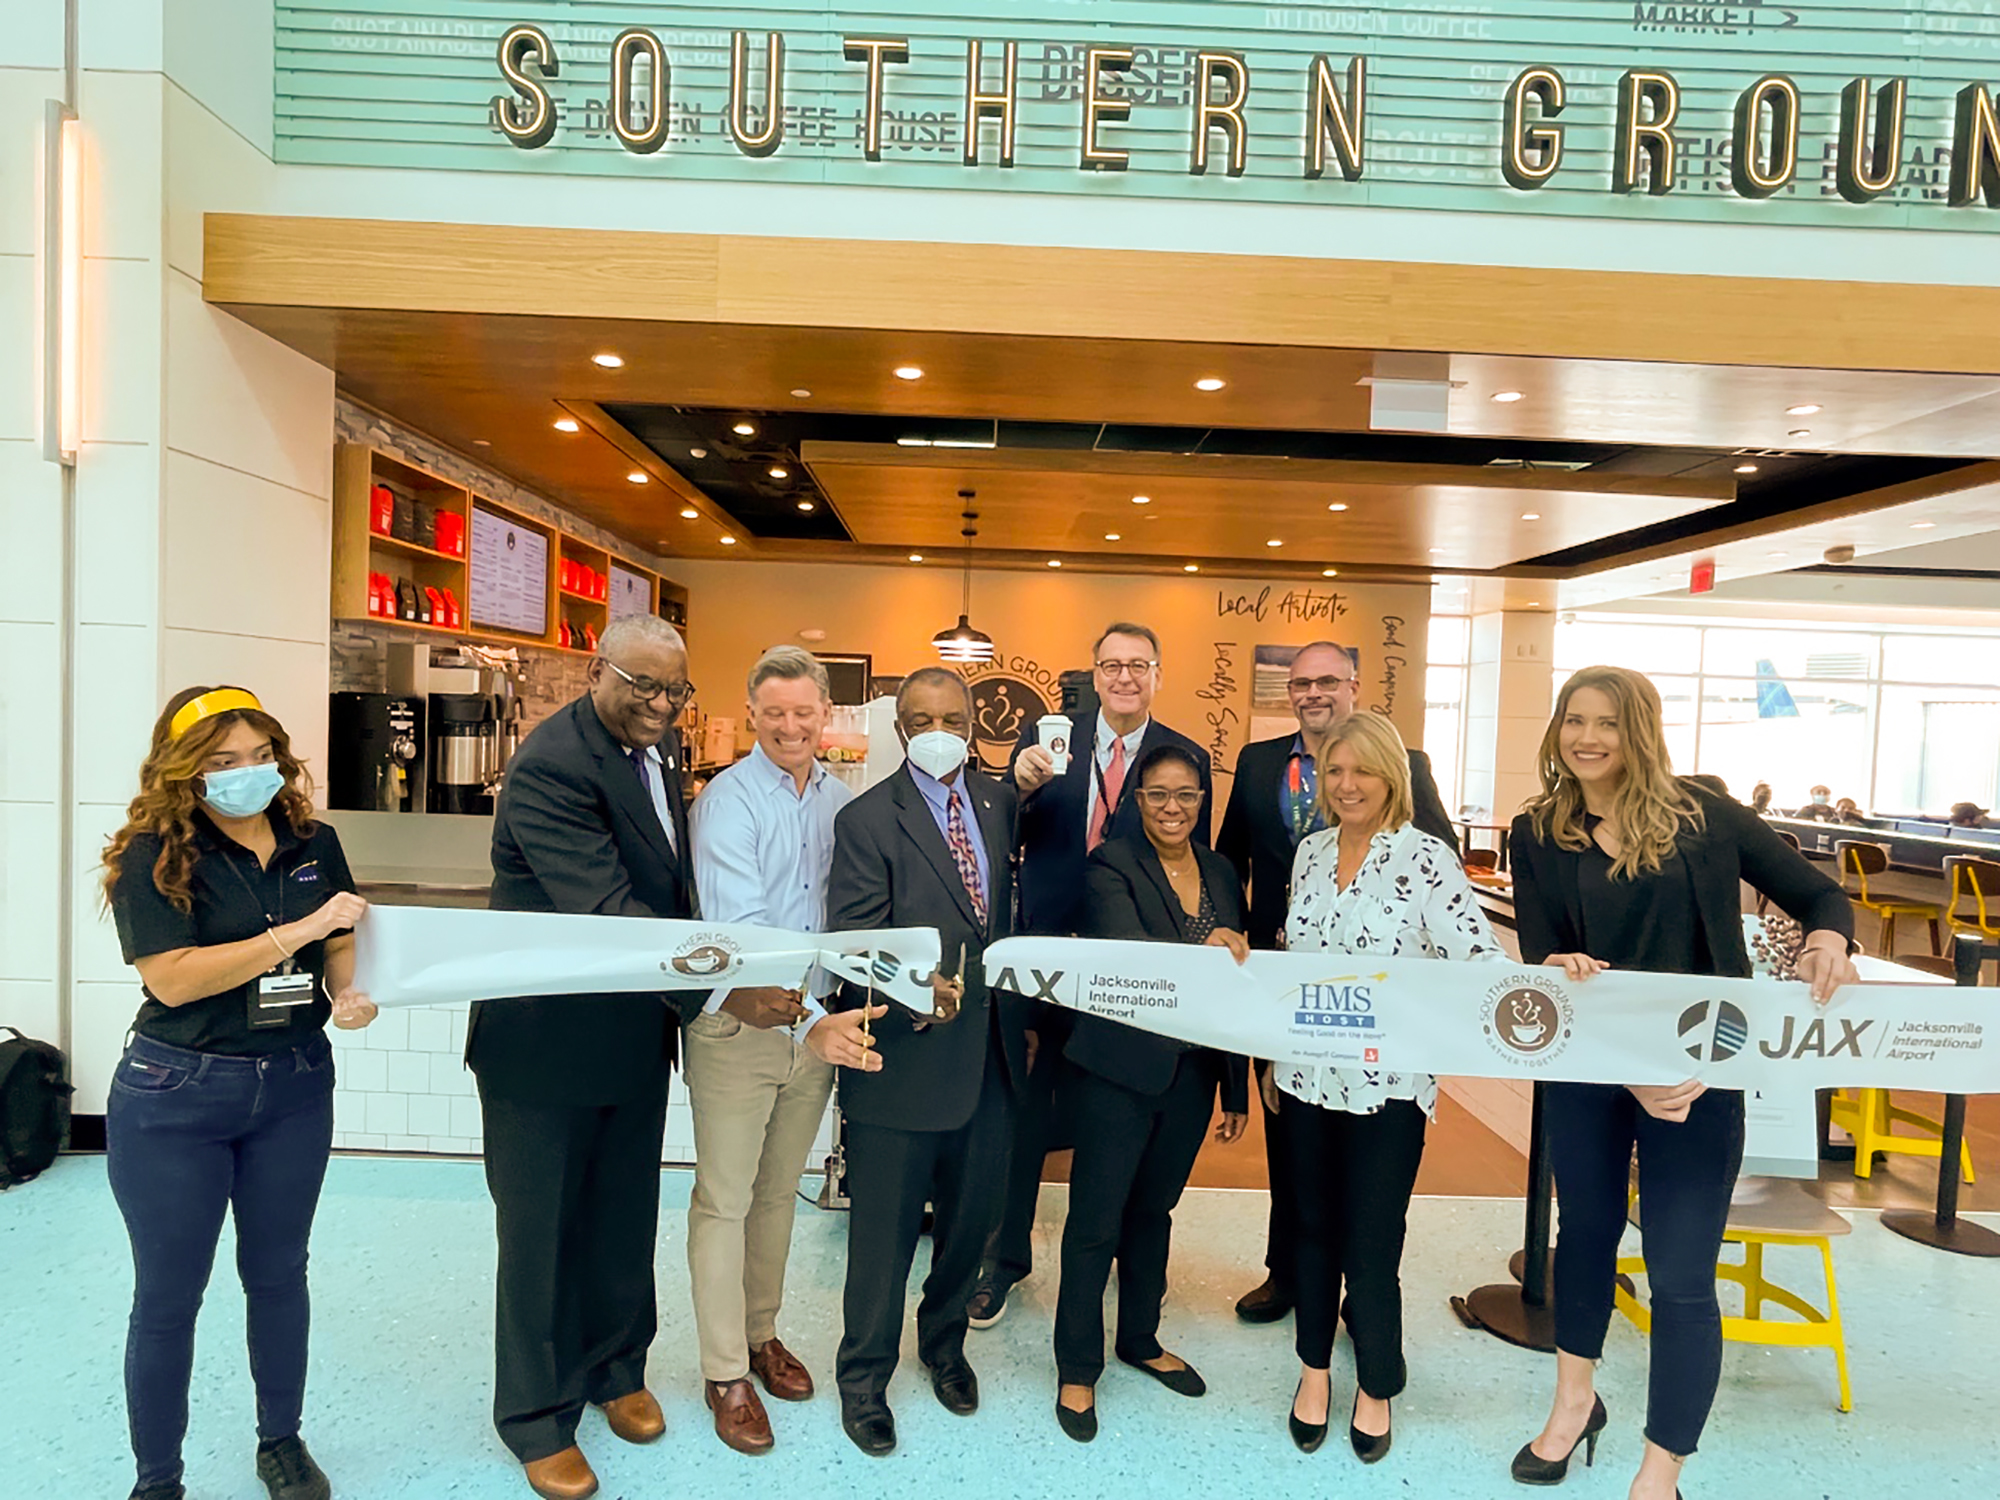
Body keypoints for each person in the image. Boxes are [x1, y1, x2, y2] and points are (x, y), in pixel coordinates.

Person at [1508, 666, 1857, 1500]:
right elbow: (1543, 958)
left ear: (1642, 731)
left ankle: (1660, 1470)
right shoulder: (1539, 831)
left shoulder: (1705, 818)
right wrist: (1607, 1045)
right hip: (1592, 1069)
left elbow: (1817, 891)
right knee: (1584, 1239)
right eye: (1574, 721)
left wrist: (1829, 940)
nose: (1587, 739)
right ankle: (1573, 1405)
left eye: (1608, 723)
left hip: (1701, 1073)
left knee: (1681, 1274)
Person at [101, 686, 378, 1500]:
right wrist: (293, 933)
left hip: (293, 1086)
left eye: (260, 757)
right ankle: (158, 1480)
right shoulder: (152, 857)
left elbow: (341, 939)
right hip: (176, 1094)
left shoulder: (312, 841)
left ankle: (281, 1441)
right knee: (168, 1294)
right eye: (223, 763)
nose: (246, 774)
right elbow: (175, 980)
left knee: (279, 1272)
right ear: (185, 773)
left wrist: (349, 992)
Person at [467, 615, 702, 1500]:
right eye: (639, 684)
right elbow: (602, 908)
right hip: (545, 1043)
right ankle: (535, 1416)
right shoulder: (552, 765)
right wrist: (723, 984)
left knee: (620, 1217)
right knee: (540, 1235)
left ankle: (615, 1369)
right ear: (595, 672)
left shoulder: (657, 749)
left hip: (630, 1037)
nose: (657, 703)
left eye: (673, 689)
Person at [1277, 711, 1503, 1464]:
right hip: (1304, 1078)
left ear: (1390, 779)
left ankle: (1376, 1382)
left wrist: (1553, 970)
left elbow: (1479, 961)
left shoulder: (1426, 859)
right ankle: (1314, 1370)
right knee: (1309, 1230)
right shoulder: (1308, 854)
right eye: (1333, 772)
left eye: (1361, 772)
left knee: (1371, 1244)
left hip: (1390, 1089)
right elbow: (1293, 964)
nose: (1346, 786)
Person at [970, 622, 1211, 1328]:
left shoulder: (1183, 758)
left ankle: (1105, 1258)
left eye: (1139, 665)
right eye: (1112, 665)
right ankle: (1002, 1261)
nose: (1125, 677)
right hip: (1044, 955)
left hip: (1128, 971)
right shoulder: (1045, 741)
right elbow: (1002, 838)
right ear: (1095, 672)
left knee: (1118, 1119)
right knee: (1017, 1114)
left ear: (1158, 673)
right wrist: (1015, 788)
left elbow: (1186, 872)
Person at [1214, 641, 1457, 1325]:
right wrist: (1233, 940)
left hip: (1377, 996)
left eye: (1326, 681)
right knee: (1291, 1135)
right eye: (1299, 683)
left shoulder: (1403, 764)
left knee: (1368, 1159)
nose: (1312, 693)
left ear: (1353, 686)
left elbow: (1437, 860)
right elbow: (1231, 859)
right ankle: (1287, 1273)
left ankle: (1361, 1289)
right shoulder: (1261, 762)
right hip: (1281, 982)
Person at [825, 668, 1031, 1457]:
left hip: (992, 1061)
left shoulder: (999, 803)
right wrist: (918, 993)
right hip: (901, 1062)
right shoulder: (868, 819)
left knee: (971, 1225)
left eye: (952, 715)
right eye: (921, 718)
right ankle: (864, 1379)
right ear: (901, 727)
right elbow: (854, 938)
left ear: (974, 719)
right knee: (881, 1239)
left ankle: (945, 1346)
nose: (938, 728)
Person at [683, 646, 884, 1454]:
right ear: (753, 712)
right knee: (725, 1200)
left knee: (776, 1196)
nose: (792, 726)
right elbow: (748, 926)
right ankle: (724, 1368)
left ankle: (762, 1334)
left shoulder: (842, 801)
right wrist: (809, 1022)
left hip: (816, 1028)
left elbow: (849, 916)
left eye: (806, 712)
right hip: (740, 1027)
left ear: (827, 714)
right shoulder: (727, 803)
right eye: (775, 713)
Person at [1053, 744, 1251, 1442]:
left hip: (1192, 1075)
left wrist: (1235, 1089)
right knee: (1096, 1221)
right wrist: (1205, 951)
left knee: (1154, 1213)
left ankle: (1139, 1338)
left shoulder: (1223, 870)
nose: (1174, 808)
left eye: (1188, 795)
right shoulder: (1111, 864)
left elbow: (1236, 983)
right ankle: (1078, 1367)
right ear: (1136, 800)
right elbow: (1127, 948)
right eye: (1159, 795)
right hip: (1119, 1070)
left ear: (1203, 800)